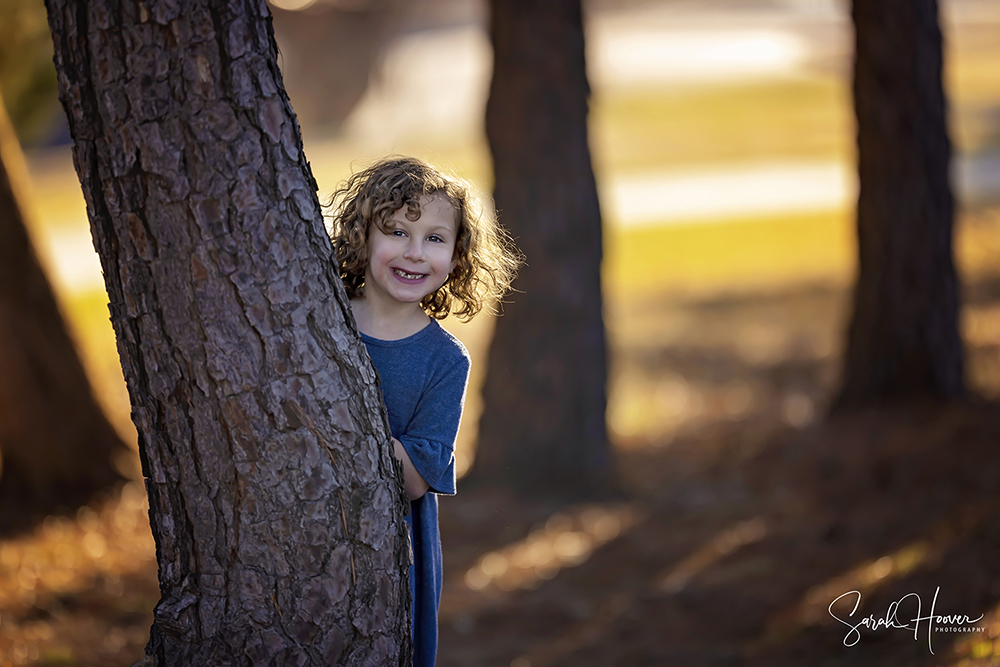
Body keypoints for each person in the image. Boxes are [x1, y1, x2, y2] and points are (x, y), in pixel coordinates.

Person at [327, 156, 520, 666]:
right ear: (362, 236)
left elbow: (415, 477)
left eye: (435, 238)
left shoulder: (444, 359)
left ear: (458, 256)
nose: (415, 253)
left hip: (387, 544)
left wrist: (338, 432)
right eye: (396, 231)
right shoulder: (319, 321)